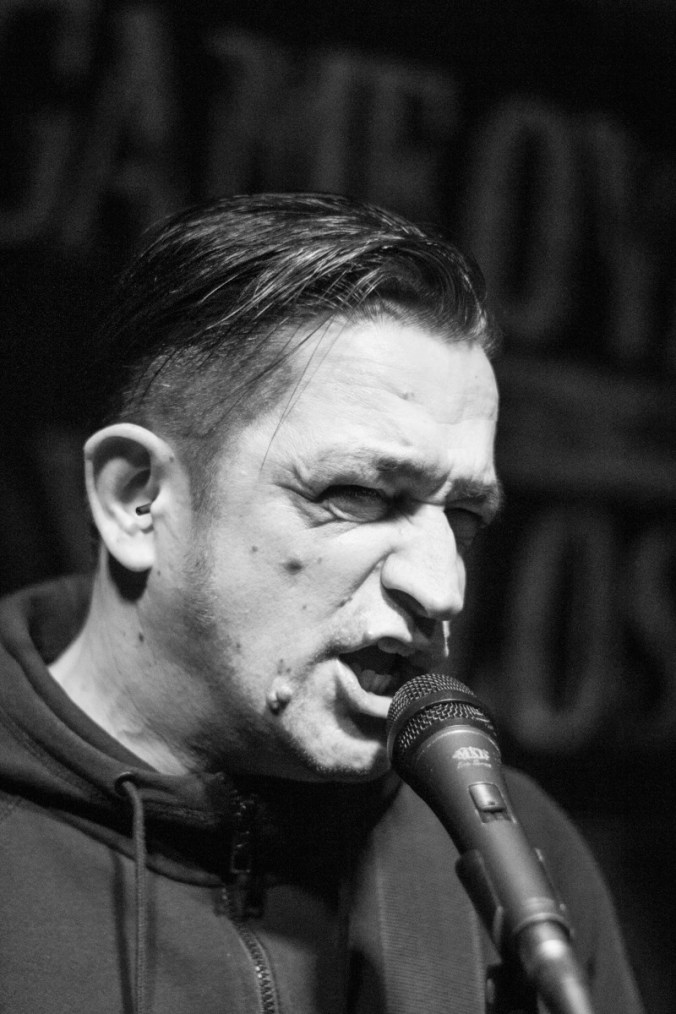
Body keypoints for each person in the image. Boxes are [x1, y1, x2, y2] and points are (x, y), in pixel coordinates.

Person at [0, 193, 643, 1014]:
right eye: (358, 496)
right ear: (137, 500)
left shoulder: (521, 856)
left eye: (463, 516)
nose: (442, 588)